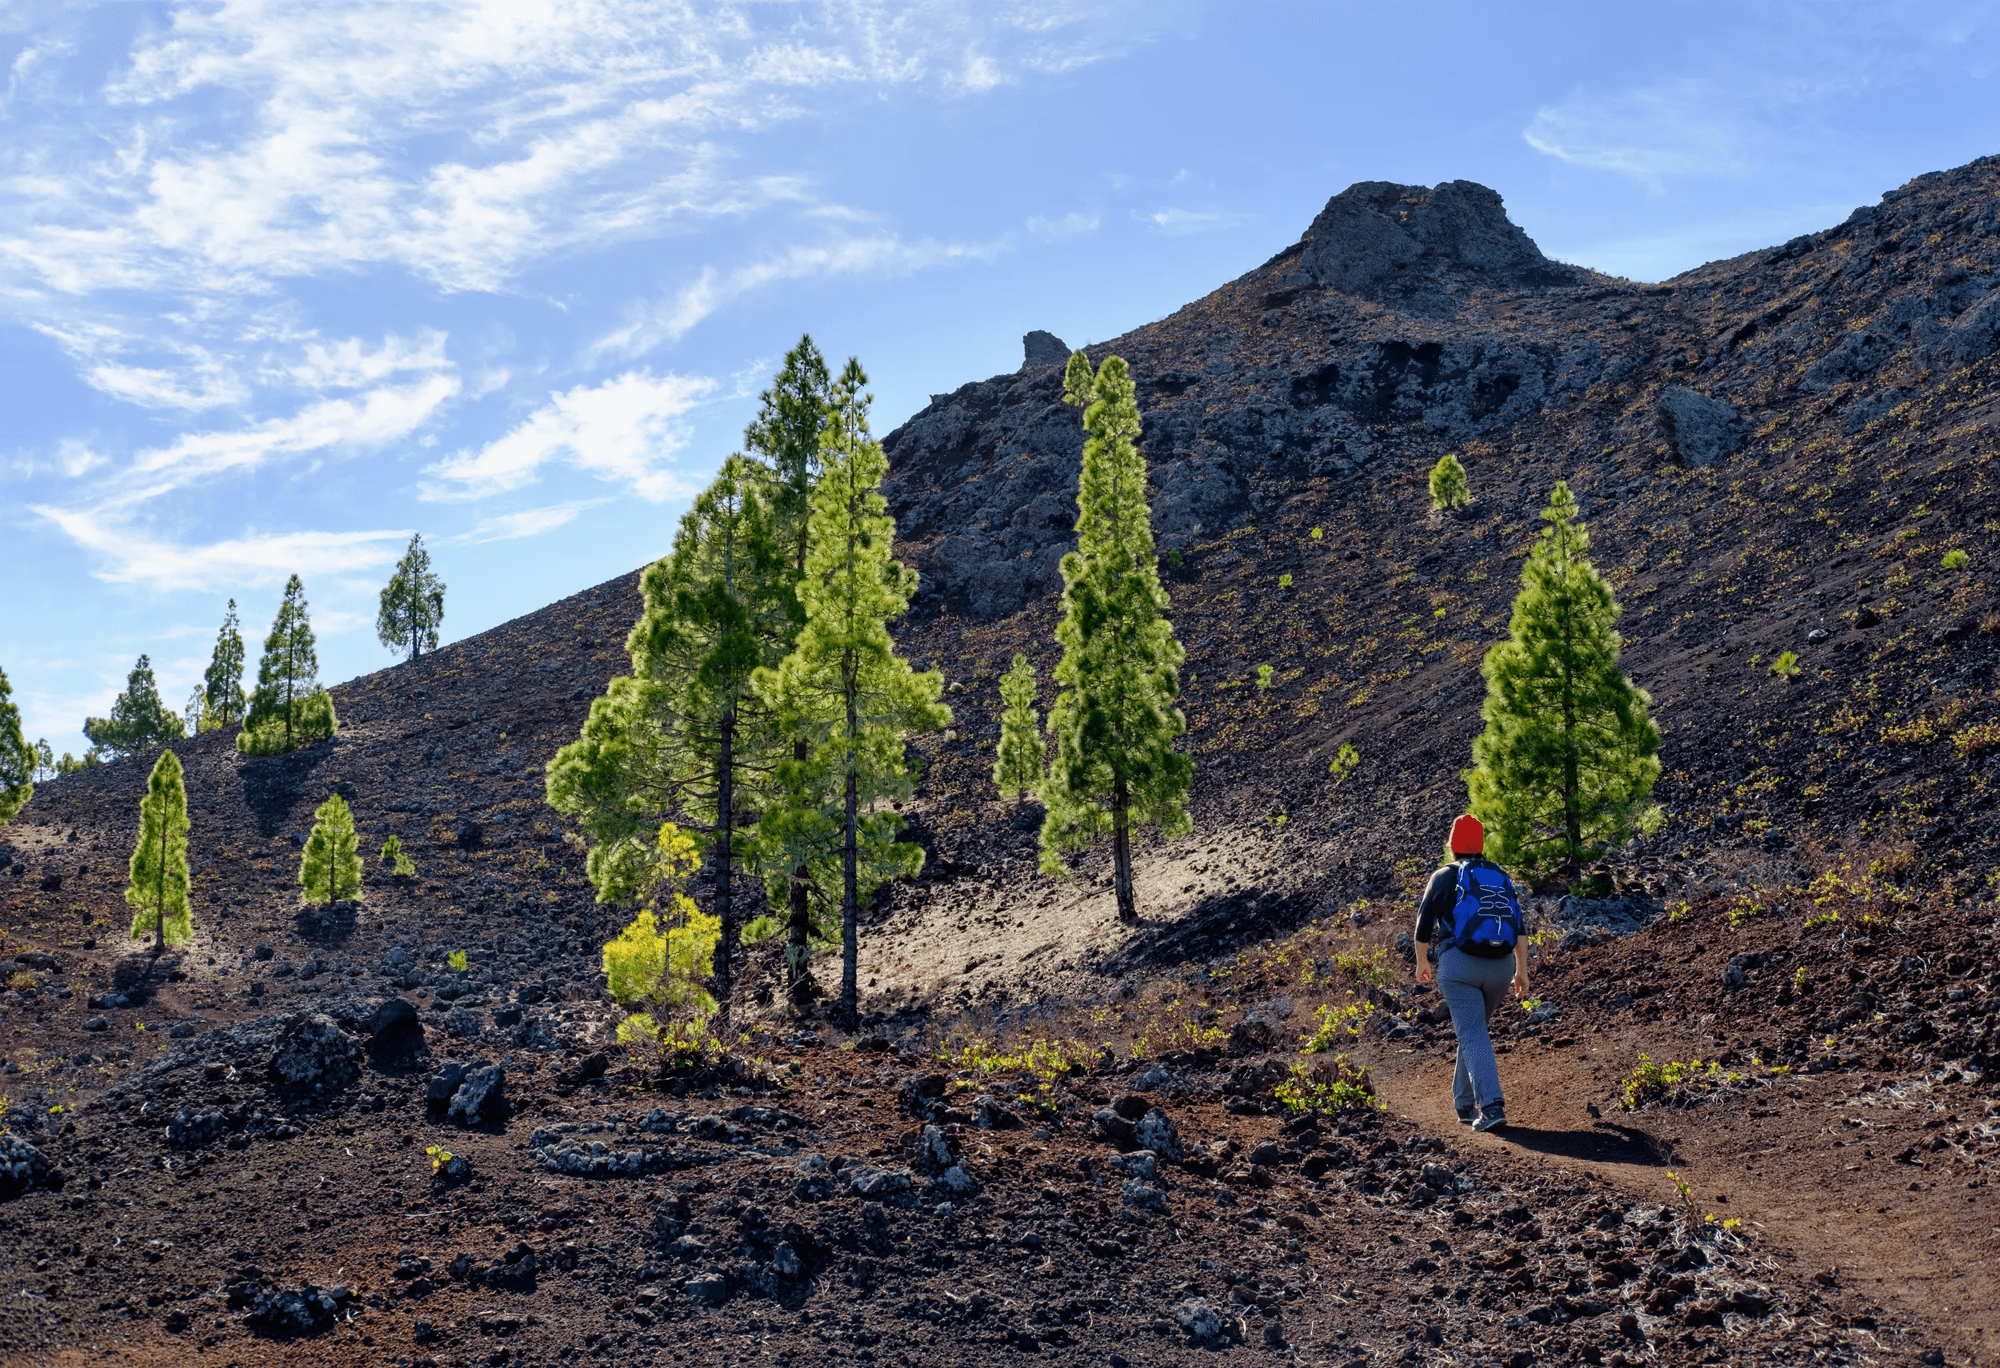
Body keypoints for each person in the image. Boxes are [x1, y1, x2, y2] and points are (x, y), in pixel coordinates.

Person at [1413, 814, 1529, 1133]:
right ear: (1480, 847)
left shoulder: (1443, 876)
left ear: (1452, 846)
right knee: (1474, 1029)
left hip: (1460, 967)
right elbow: (1518, 927)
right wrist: (1522, 970)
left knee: (1473, 1032)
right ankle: (1464, 1102)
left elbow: (1423, 925)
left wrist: (1422, 961)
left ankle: (1491, 1107)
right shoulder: (1499, 876)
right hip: (1502, 966)